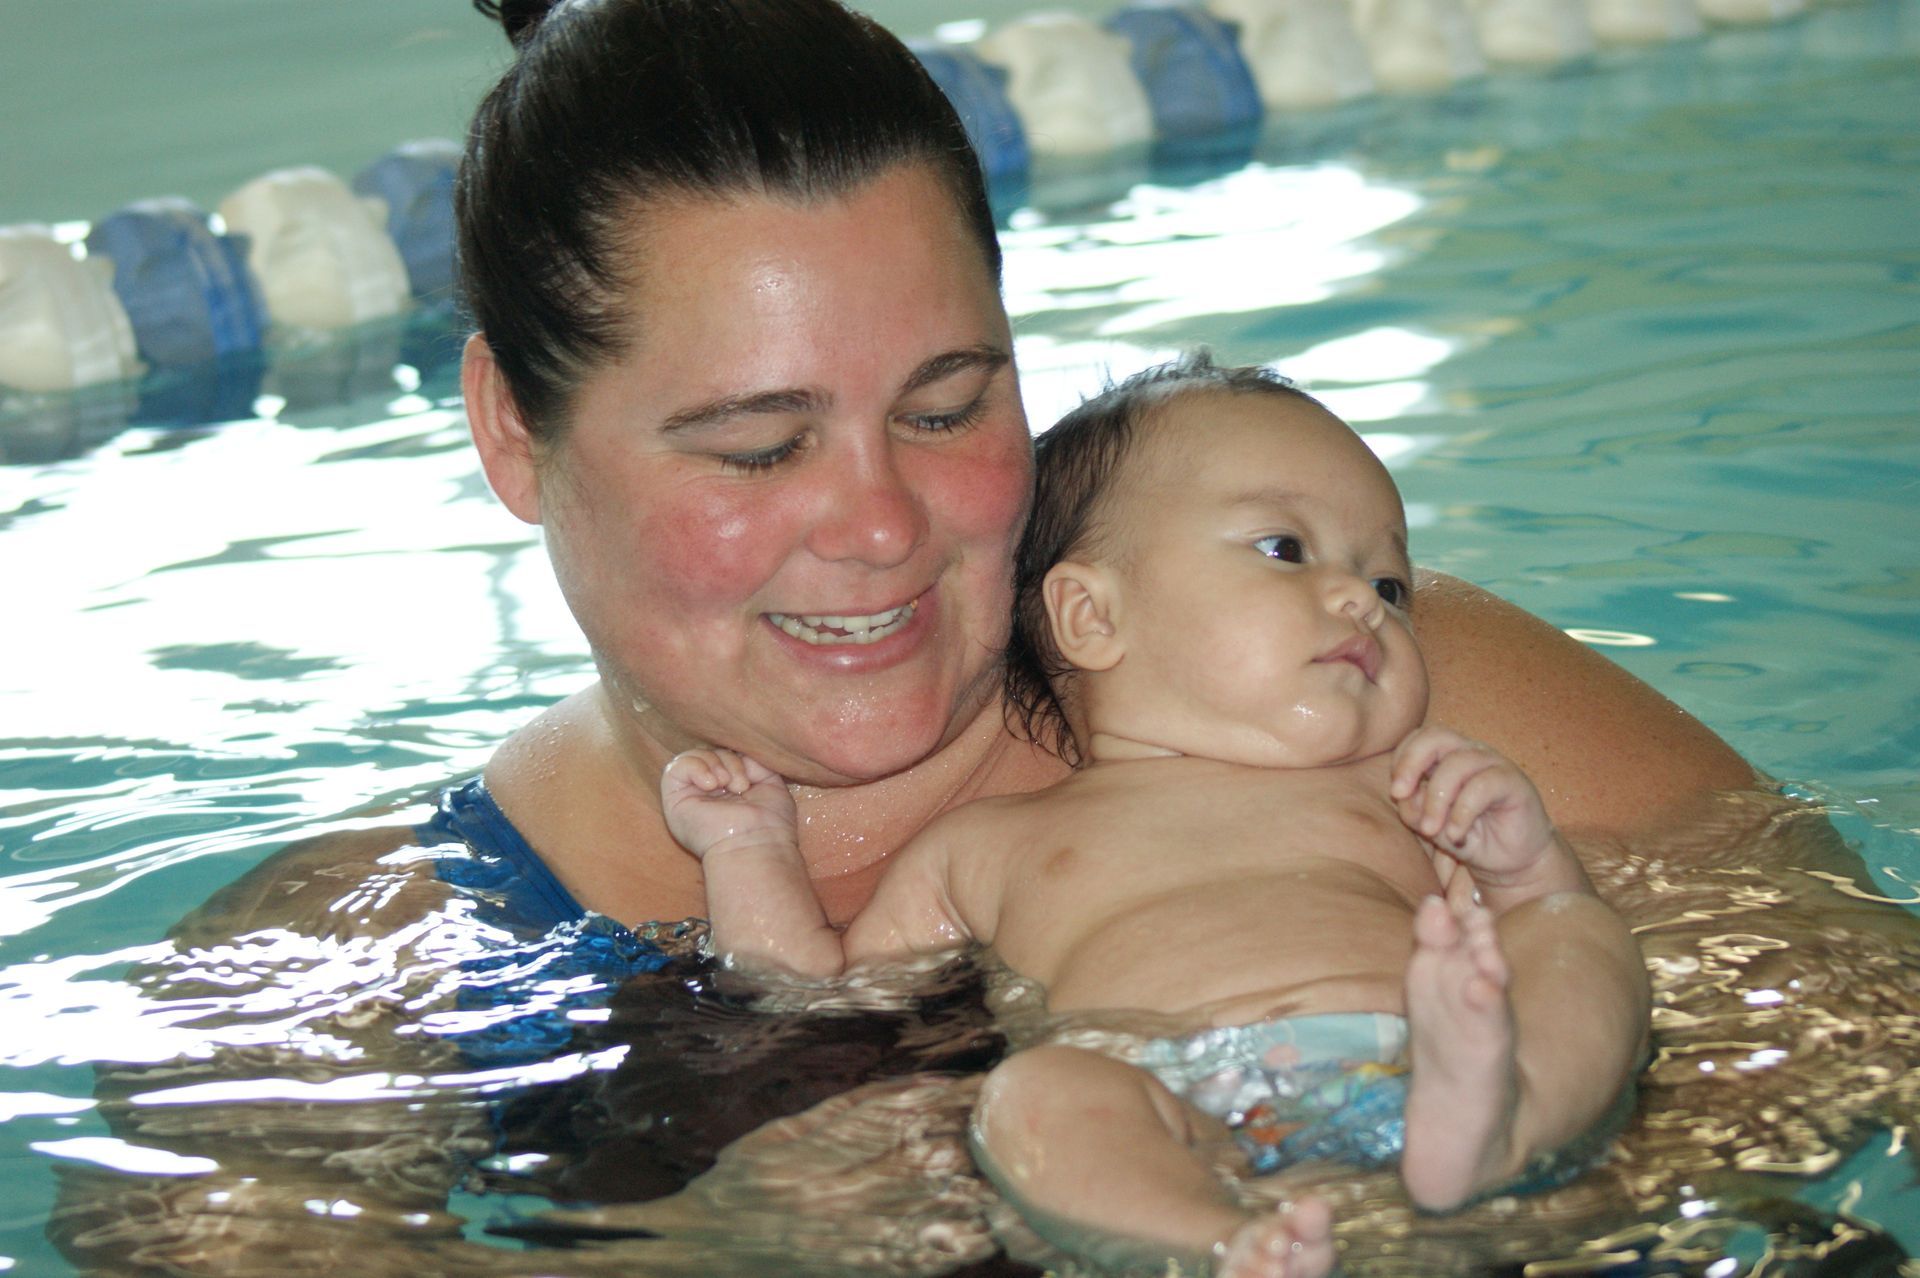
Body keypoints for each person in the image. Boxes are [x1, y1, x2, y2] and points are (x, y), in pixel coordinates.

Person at [52, 0, 1779, 1273]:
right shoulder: (370, 965)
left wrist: (1474, 1211)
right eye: (758, 445)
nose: (882, 524)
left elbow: (1848, 1042)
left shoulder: (1341, 680)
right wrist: (734, 1246)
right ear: (512, 431)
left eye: (949, 406)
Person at [661, 354, 1651, 1277]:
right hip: (1171, 1107)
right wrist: (745, 846)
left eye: (1390, 585)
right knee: (1032, 1098)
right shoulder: (990, 845)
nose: (1360, 599)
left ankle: (1500, 1125)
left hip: (1424, 1058)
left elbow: (1522, 932)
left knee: (1578, 931)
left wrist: (1525, 865)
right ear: (1093, 617)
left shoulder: (1400, 786)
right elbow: (818, 998)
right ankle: (1220, 1241)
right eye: (1285, 549)